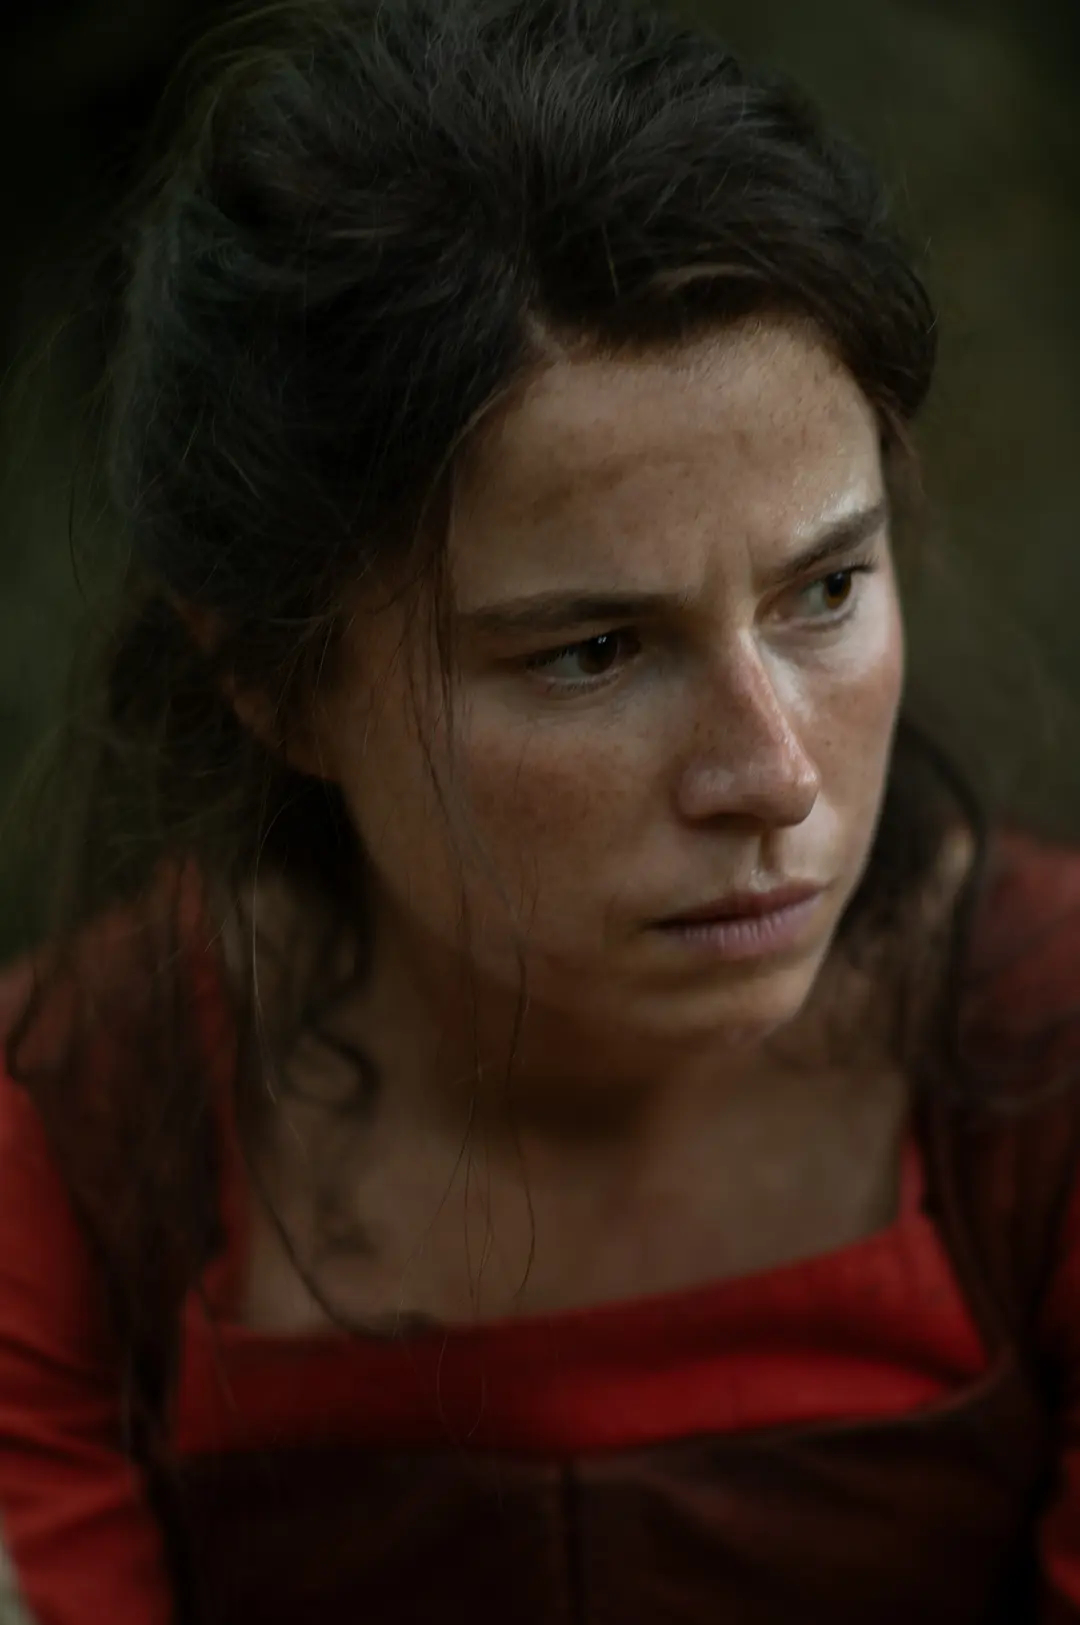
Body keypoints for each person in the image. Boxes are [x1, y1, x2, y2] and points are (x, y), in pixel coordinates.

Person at [2, 0, 1080, 1620]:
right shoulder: (69, 1145)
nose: (774, 772)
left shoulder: (1051, 1068)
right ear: (277, 683)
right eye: (593, 650)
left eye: (826, 589)